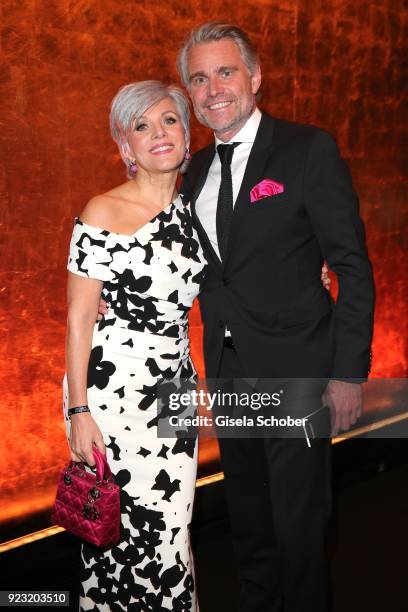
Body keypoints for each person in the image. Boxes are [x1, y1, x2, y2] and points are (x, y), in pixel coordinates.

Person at [175, 22, 375, 612]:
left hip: (299, 371)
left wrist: (349, 373)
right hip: (227, 373)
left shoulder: (307, 148)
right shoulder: (190, 173)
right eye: (199, 78)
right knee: (251, 526)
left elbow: (352, 267)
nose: (213, 89)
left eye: (226, 72)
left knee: (299, 530)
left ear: (255, 78)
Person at [63, 80, 207, 611]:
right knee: (112, 535)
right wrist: (79, 410)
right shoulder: (101, 211)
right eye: (140, 126)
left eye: (169, 120)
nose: (158, 134)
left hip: (173, 391)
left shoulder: (200, 214)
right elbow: (79, 318)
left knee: (173, 531)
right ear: (126, 146)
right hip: (110, 395)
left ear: (187, 135)